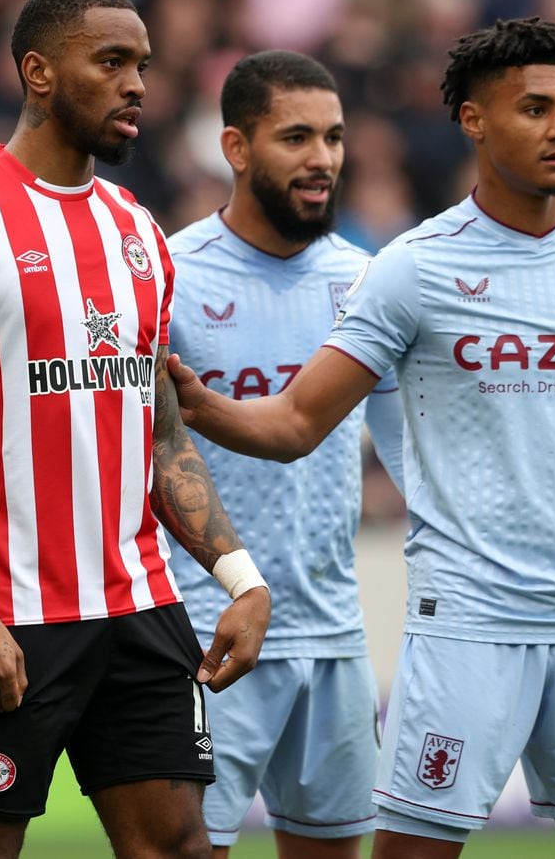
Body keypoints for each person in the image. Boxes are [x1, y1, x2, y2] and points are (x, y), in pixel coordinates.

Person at [167, 17, 555, 859]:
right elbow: (299, 420)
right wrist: (199, 403)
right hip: (467, 625)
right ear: (475, 122)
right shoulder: (411, 267)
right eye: (535, 109)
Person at [0, 0, 271, 859]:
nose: (137, 86)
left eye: (145, 67)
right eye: (112, 62)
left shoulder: (140, 233)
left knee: (178, 846)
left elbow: (161, 439)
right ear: (38, 73)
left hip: (142, 607)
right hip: (11, 618)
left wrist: (241, 577)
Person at [166, 50, 404, 859]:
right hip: (207, 632)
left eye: (334, 138)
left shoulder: (366, 280)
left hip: (334, 635)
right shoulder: (170, 275)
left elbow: (409, 449)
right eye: (296, 137)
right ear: (236, 148)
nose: (322, 159)